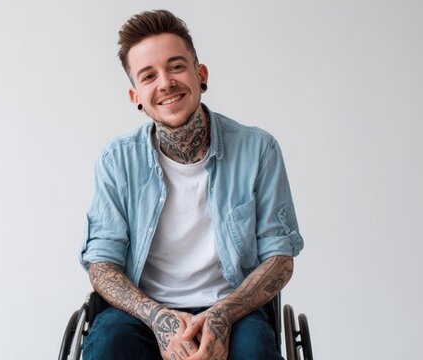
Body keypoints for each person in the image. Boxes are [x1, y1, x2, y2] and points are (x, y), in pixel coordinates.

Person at [79, 10, 304, 360]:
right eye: (149, 76)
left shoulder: (259, 150)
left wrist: (222, 315)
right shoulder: (117, 161)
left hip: (234, 307)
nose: (165, 83)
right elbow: (101, 265)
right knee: (109, 344)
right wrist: (159, 318)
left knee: (255, 351)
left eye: (176, 66)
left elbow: (279, 257)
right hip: (142, 312)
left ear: (201, 74)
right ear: (135, 95)